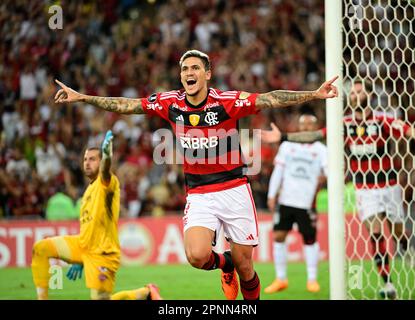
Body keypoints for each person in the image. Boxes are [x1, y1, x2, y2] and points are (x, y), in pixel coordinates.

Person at [54, 49, 338, 300]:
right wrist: (83, 97)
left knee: (247, 267)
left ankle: (239, 279)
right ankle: (224, 266)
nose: (188, 73)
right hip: (200, 192)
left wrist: (314, 93)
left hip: (234, 187)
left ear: (207, 75)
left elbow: (270, 99)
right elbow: (130, 105)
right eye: (184, 69)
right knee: (197, 256)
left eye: (195, 68)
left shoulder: (226, 102)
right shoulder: (171, 104)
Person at [261, 79, 415, 299]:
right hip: (364, 188)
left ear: (369, 95)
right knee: (376, 233)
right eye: (352, 93)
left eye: (359, 93)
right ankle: (388, 284)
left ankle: (406, 248)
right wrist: (284, 137)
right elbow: (315, 136)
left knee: (398, 232)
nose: (354, 96)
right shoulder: (344, 124)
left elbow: (408, 131)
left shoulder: (383, 121)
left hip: (389, 186)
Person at [31, 131, 161, 300]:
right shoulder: (88, 191)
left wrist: (107, 155)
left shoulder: (107, 182)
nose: (87, 163)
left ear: (101, 162)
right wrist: (79, 260)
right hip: (83, 245)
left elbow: (106, 170)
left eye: (92, 159)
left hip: (103, 253)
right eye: (85, 159)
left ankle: (146, 292)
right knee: (41, 249)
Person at [264, 113, 327, 294]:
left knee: (309, 239)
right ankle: (281, 278)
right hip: (286, 200)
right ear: (298, 127)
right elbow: (278, 171)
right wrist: (271, 194)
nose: (306, 126)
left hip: (307, 202)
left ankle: (312, 280)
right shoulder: (288, 145)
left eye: (310, 124)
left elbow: (330, 171)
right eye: (303, 123)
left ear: (316, 127)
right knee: (278, 236)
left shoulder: (321, 149)